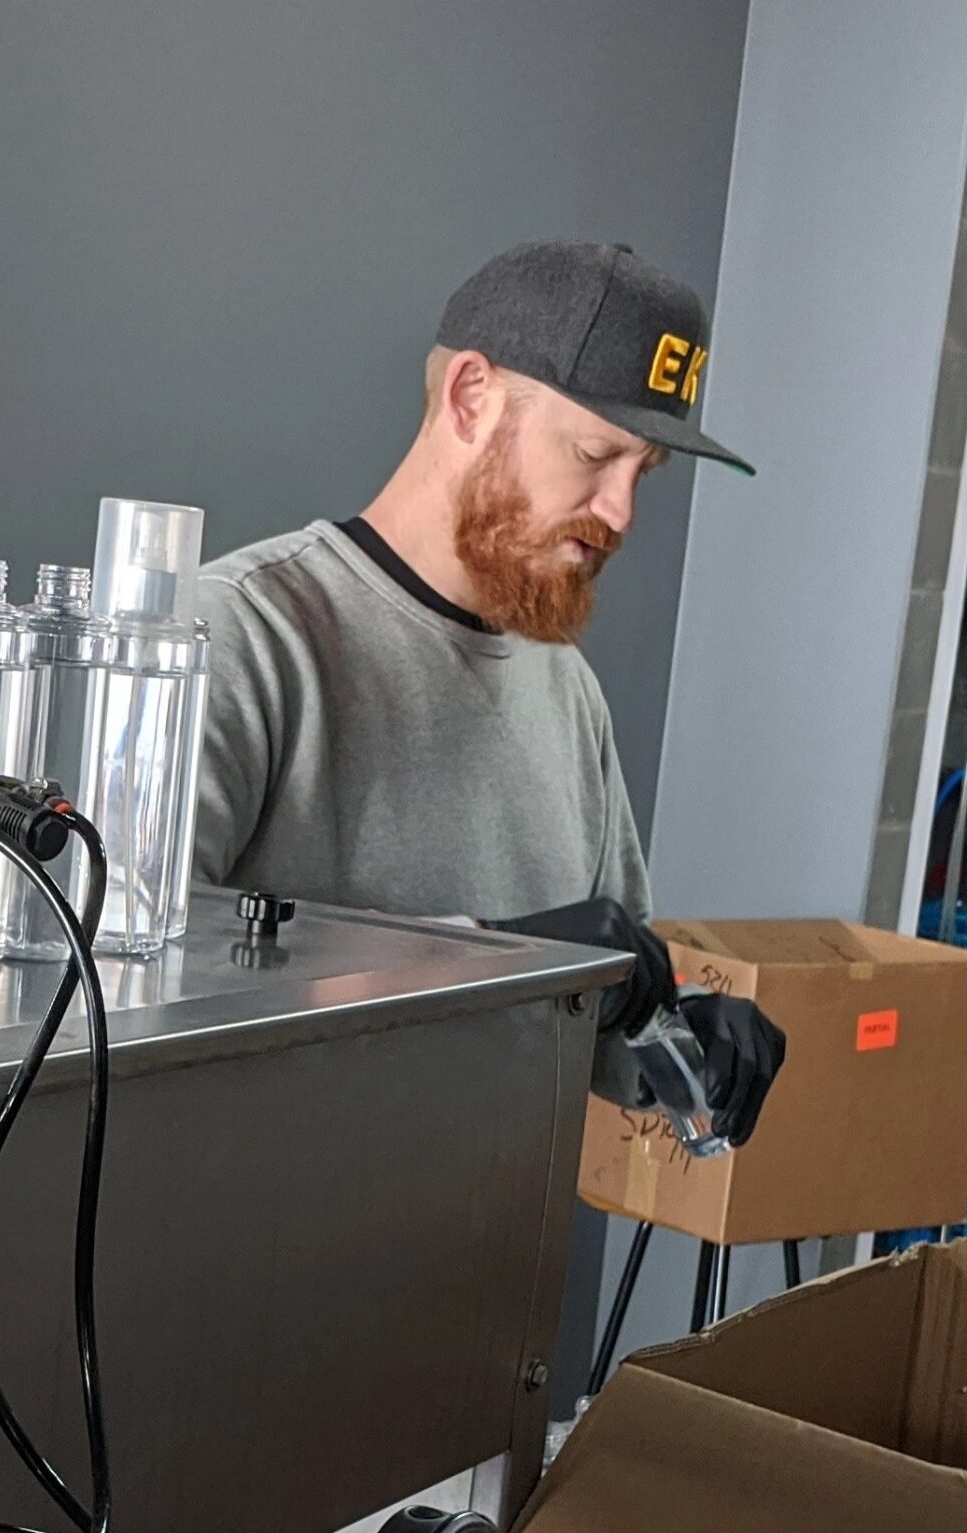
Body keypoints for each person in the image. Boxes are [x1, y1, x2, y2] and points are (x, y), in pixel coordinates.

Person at [194, 240, 784, 1141]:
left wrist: (676, 1037)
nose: (620, 512)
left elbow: (592, 1012)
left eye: (644, 474)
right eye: (595, 452)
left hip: (493, 1251)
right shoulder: (248, 634)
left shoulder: (568, 695)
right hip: (255, 1252)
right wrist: (498, 953)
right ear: (472, 397)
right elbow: (126, 975)